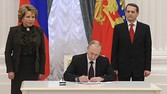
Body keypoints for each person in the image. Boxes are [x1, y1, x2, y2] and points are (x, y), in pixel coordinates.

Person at [5, 4, 46, 94]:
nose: (31, 19)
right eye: (28, 17)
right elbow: (8, 52)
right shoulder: (13, 31)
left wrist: (41, 70)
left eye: (33, 17)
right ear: (22, 17)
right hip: (18, 69)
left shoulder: (39, 31)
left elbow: (42, 52)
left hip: (33, 69)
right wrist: (10, 70)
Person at [111, 3, 152, 81]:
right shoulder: (118, 28)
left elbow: (148, 49)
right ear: (125, 12)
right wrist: (114, 67)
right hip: (122, 67)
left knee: (138, 91)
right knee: (123, 91)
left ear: (137, 13)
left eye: (133, 12)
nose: (130, 14)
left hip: (139, 68)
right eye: (128, 11)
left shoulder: (145, 28)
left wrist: (147, 68)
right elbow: (115, 49)